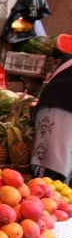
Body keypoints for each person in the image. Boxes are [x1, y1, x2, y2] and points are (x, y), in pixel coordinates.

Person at [31, 38, 72, 183]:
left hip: (49, 109)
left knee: (53, 163)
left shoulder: (67, 60)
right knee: (56, 170)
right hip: (63, 112)